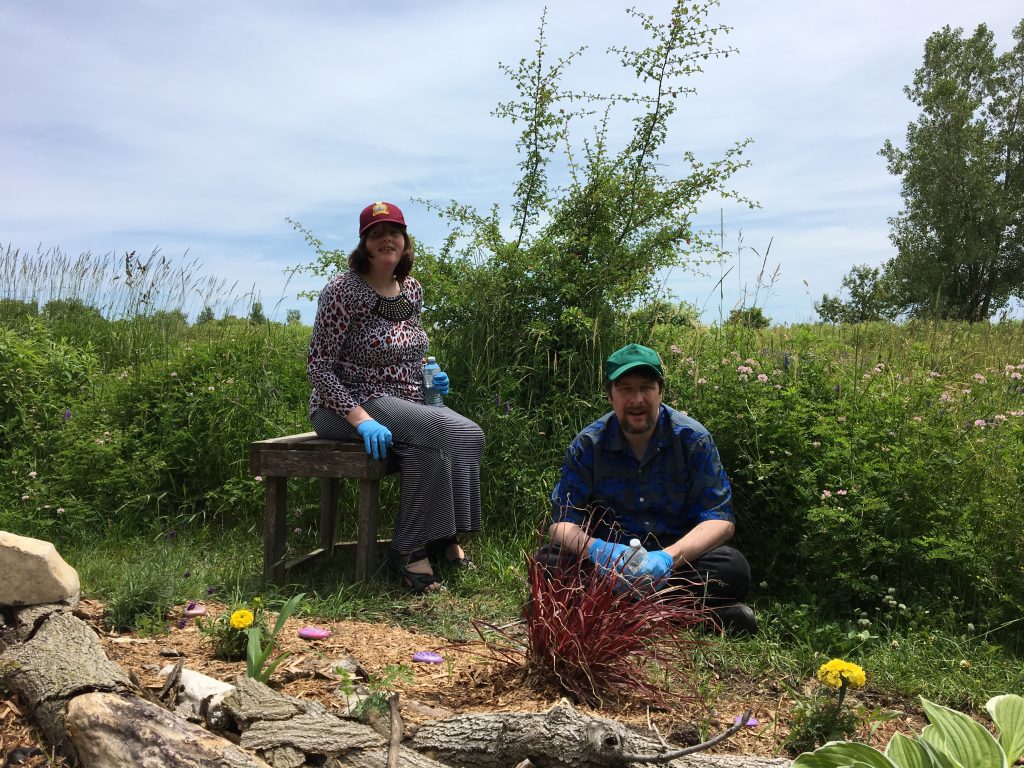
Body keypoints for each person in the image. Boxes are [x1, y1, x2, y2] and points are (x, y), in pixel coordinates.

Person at [307, 201, 485, 594]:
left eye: (395, 232)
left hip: (404, 401)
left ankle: (441, 538)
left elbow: (412, 352)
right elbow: (319, 367)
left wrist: (430, 379)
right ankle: (406, 551)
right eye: (376, 233)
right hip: (346, 403)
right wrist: (361, 418)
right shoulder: (342, 291)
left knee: (466, 435)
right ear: (364, 245)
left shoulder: (412, 290)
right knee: (441, 431)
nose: (387, 238)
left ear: (405, 243)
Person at [545, 343, 756, 635]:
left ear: (660, 391)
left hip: (677, 560)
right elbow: (562, 524)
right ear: (610, 396)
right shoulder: (588, 444)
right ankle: (684, 616)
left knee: (732, 568)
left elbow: (719, 521)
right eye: (626, 389)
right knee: (549, 563)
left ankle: (610, 612)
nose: (637, 399)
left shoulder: (693, 440)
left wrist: (667, 558)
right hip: (607, 565)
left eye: (646, 387)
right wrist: (599, 551)